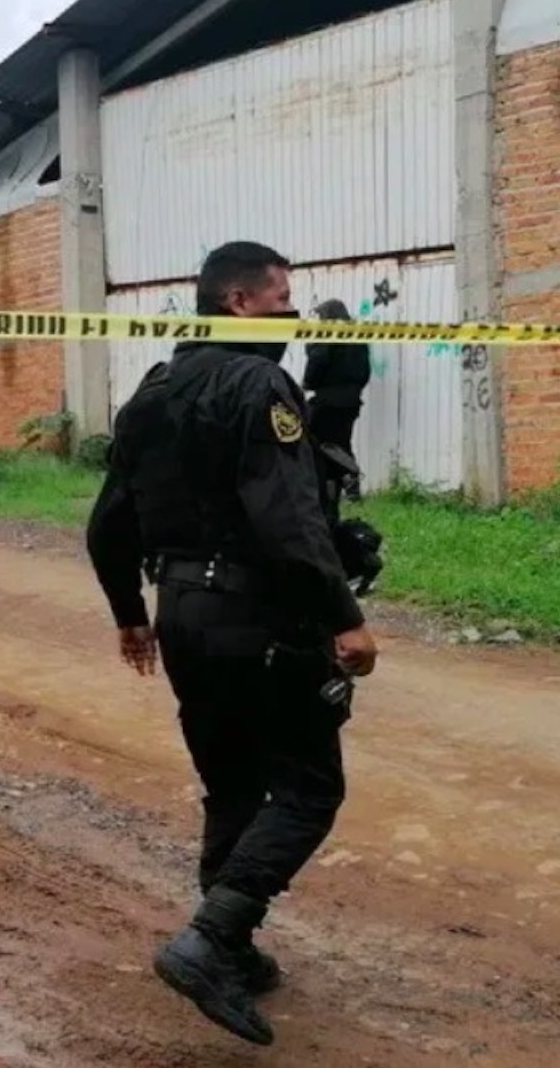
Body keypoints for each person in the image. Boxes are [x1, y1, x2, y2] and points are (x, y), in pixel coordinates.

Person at [84, 240, 379, 1047]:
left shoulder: (153, 390)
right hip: (259, 618)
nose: (292, 313)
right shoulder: (257, 383)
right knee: (310, 788)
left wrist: (130, 614)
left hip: (182, 614)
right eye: (282, 299)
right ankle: (211, 940)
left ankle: (232, 947)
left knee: (233, 783)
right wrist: (344, 615)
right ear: (239, 303)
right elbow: (288, 520)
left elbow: (109, 521)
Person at [302, 298, 370, 499]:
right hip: (352, 399)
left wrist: (307, 382)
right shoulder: (357, 337)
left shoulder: (327, 333)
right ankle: (343, 484)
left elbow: (318, 360)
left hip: (327, 398)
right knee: (340, 441)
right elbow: (365, 371)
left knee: (317, 440)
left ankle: (345, 475)